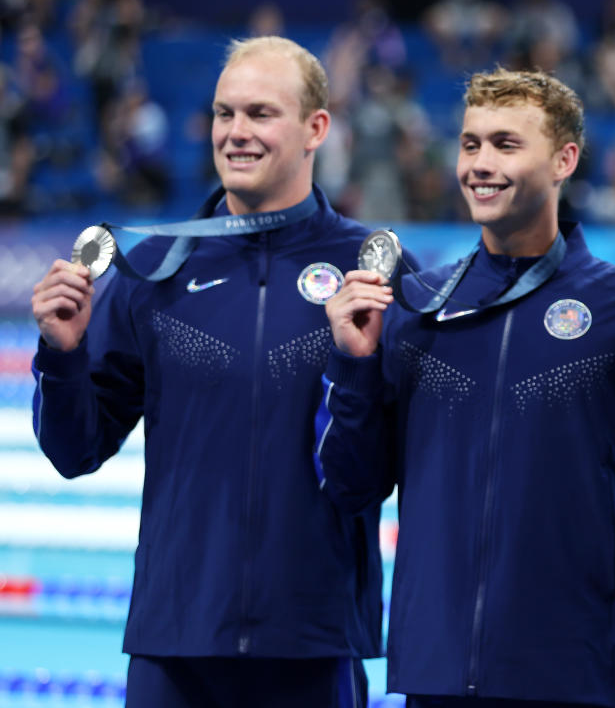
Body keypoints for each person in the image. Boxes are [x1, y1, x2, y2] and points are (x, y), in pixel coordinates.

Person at [30, 36, 385, 707]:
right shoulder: (157, 271)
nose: (236, 133)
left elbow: (383, 467)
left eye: (259, 113)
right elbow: (75, 451)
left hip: (313, 638)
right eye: (225, 114)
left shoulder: (367, 272)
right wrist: (63, 355)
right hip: (177, 639)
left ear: (316, 128)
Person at [317, 68, 615, 708]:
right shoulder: (416, 307)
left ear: (565, 159)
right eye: (471, 145)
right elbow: (350, 485)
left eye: (505, 144)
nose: (480, 164)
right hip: (436, 671)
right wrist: (355, 364)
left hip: (579, 673)